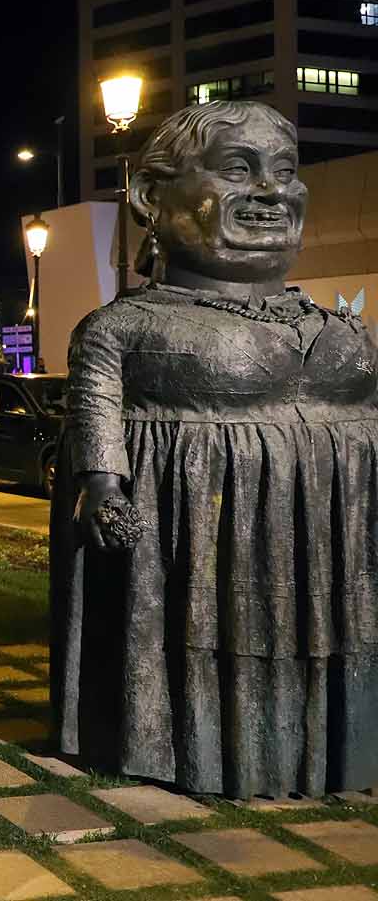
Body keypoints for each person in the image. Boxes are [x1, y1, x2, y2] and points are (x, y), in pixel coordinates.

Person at [53, 100, 378, 798]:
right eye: (238, 169)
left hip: (336, 540)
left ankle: (335, 743)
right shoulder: (122, 326)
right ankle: (206, 742)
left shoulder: (336, 324)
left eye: (286, 172)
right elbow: (94, 418)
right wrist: (104, 486)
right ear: (149, 197)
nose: (271, 191)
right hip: (201, 544)